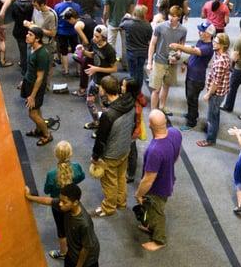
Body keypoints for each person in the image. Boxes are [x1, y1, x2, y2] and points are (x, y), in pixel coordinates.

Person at [135, 109, 182, 251]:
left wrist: (138, 194)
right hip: (168, 178)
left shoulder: (155, 150)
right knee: (151, 209)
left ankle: (159, 240)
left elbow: (148, 180)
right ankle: (149, 225)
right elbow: (177, 153)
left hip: (157, 189)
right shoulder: (175, 133)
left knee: (157, 212)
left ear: (150, 125)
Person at [25, 183, 100, 267]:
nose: (60, 204)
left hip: (87, 261)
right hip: (72, 253)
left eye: (64, 202)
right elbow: (48, 201)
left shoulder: (84, 223)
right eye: (60, 200)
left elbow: (86, 248)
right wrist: (29, 197)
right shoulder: (67, 205)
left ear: (75, 202)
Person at [91, 75, 135, 216]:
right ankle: (121, 202)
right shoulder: (129, 102)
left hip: (111, 154)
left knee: (109, 182)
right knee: (121, 177)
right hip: (125, 149)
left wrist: (95, 157)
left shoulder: (108, 116)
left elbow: (100, 140)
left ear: (103, 90)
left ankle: (108, 207)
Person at [43, 141, 86, 260]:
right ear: (70, 154)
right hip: (73, 203)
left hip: (58, 206)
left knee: (61, 229)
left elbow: (47, 190)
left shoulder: (52, 174)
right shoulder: (76, 167)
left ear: (56, 154)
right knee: (74, 223)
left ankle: (63, 252)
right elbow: (81, 177)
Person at [169, 21, 215, 131]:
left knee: (192, 100)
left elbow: (194, 51)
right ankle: (192, 114)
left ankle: (191, 122)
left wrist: (179, 46)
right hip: (191, 76)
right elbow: (193, 53)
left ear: (208, 34)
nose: (199, 32)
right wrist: (185, 63)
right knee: (190, 98)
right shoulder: (201, 41)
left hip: (196, 79)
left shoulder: (208, 48)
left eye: (202, 31)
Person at [147, 6, 187, 113]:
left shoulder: (183, 30)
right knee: (156, 89)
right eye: (170, 15)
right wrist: (150, 62)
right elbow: (152, 44)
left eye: (174, 16)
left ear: (178, 17)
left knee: (166, 86)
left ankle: (162, 106)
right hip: (159, 61)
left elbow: (181, 46)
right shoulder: (160, 27)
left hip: (171, 63)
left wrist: (177, 55)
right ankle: (153, 111)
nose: (170, 18)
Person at [196, 33, 231, 147]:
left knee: (212, 117)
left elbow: (216, 82)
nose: (213, 42)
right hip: (220, 91)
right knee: (215, 114)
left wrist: (208, 94)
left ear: (222, 45)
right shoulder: (222, 55)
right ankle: (212, 131)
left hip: (216, 94)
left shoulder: (221, 62)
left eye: (216, 42)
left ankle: (210, 139)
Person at [21, 26, 52, 146]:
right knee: (37, 110)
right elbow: (30, 68)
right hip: (28, 83)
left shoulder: (42, 54)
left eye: (30, 35)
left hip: (36, 87)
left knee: (32, 114)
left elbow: (40, 77)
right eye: (27, 33)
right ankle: (39, 130)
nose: (27, 36)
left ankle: (46, 135)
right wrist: (23, 81)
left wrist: (32, 96)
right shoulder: (31, 48)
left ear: (37, 39)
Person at [83, 25, 117, 131]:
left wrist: (97, 69)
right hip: (95, 79)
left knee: (105, 107)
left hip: (105, 83)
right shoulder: (94, 43)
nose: (94, 38)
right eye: (94, 35)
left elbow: (114, 69)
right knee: (89, 102)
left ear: (104, 37)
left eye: (97, 36)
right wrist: (83, 51)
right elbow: (93, 54)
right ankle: (96, 122)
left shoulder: (110, 50)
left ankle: (104, 128)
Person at [103, 0, 135, 69]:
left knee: (110, 45)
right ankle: (125, 65)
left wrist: (105, 21)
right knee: (125, 45)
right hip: (126, 23)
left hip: (113, 23)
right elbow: (131, 11)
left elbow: (106, 12)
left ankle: (110, 64)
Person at [119, 5, 153, 91]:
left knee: (132, 73)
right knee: (140, 71)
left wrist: (125, 18)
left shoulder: (128, 23)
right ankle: (138, 91)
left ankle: (132, 91)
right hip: (143, 52)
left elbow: (120, 25)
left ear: (134, 13)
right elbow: (150, 39)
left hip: (131, 53)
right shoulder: (147, 25)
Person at [64, 8, 96, 97]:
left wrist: (80, 50)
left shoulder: (77, 25)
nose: (69, 23)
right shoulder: (86, 18)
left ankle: (82, 90)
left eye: (68, 21)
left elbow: (85, 41)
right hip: (100, 44)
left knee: (84, 68)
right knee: (90, 66)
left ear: (71, 19)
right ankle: (92, 87)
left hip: (93, 47)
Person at [54, 0, 82, 75]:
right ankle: (78, 71)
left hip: (61, 32)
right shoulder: (77, 6)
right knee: (77, 51)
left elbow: (56, 20)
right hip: (74, 32)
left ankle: (66, 70)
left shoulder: (57, 6)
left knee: (64, 52)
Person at [11, 0, 34, 77]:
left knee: (23, 51)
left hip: (18, 30)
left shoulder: (15, 4)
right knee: (33, 50)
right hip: (31, 30)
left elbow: (13, 17)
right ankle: (32, 68)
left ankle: (24, 70)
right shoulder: (32, 4)